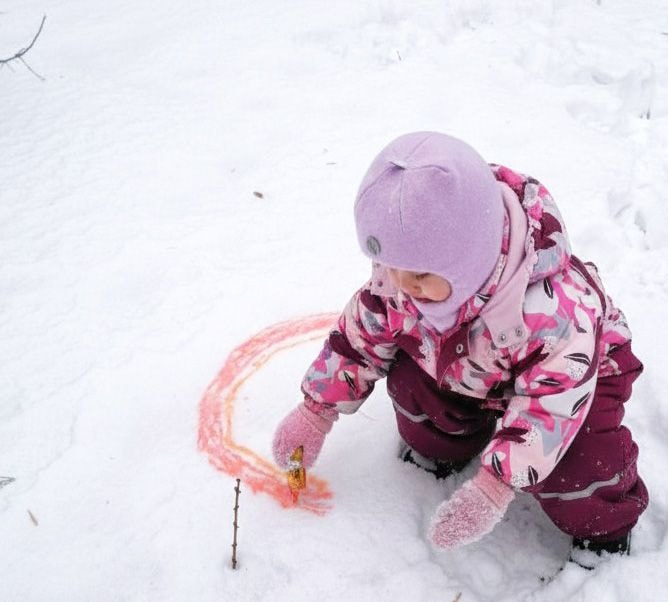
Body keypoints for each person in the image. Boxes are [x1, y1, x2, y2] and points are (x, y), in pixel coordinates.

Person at [272, 131, 648, 557]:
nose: (400, 286)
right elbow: (359, 340)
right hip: (475, 371)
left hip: (577, 381)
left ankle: (604, 526)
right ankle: (449, 445)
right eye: (390, 268)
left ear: (468, 256)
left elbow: (552, 406)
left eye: (417, 277)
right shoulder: (402, 282)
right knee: (413, 387)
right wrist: (315, 411)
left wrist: (494, 487)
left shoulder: (552, 312)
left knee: (577, 465)